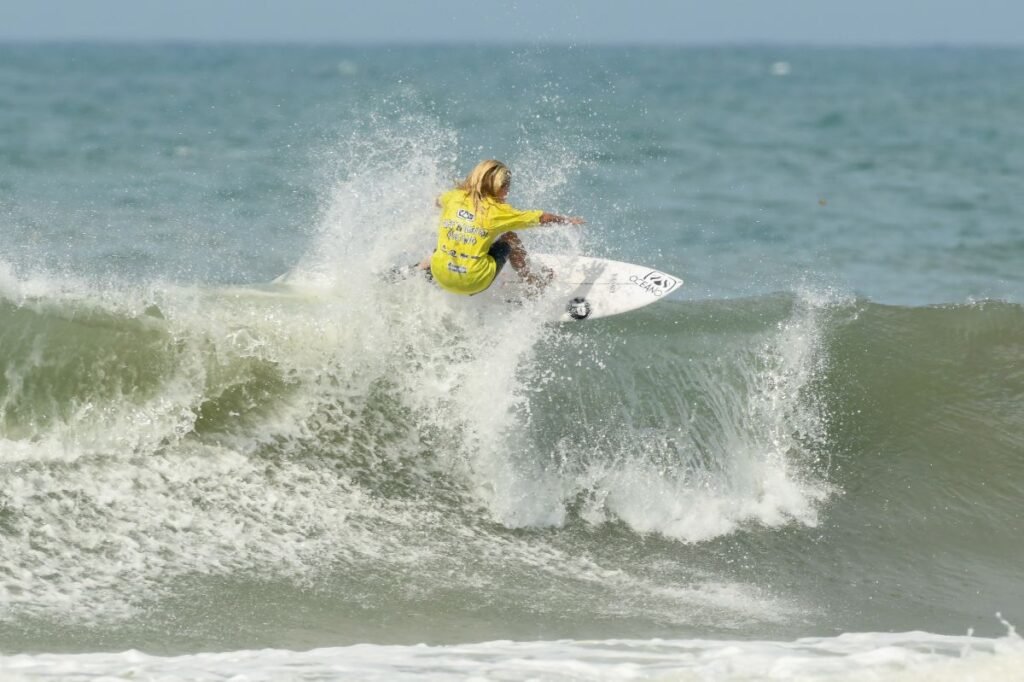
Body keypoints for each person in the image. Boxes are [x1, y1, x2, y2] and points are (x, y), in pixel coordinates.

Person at [425, 160, 584, 296]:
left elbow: (437, 201)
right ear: (498, 187)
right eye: (507, 188)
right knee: (510, 237)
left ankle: (423, 267)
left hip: (440, 275)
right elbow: (543, 218)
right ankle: (531, 282)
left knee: (451, 239)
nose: (507, 193)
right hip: (473, 283)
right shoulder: (498, 212)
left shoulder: (452, 197)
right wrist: (568, 220)